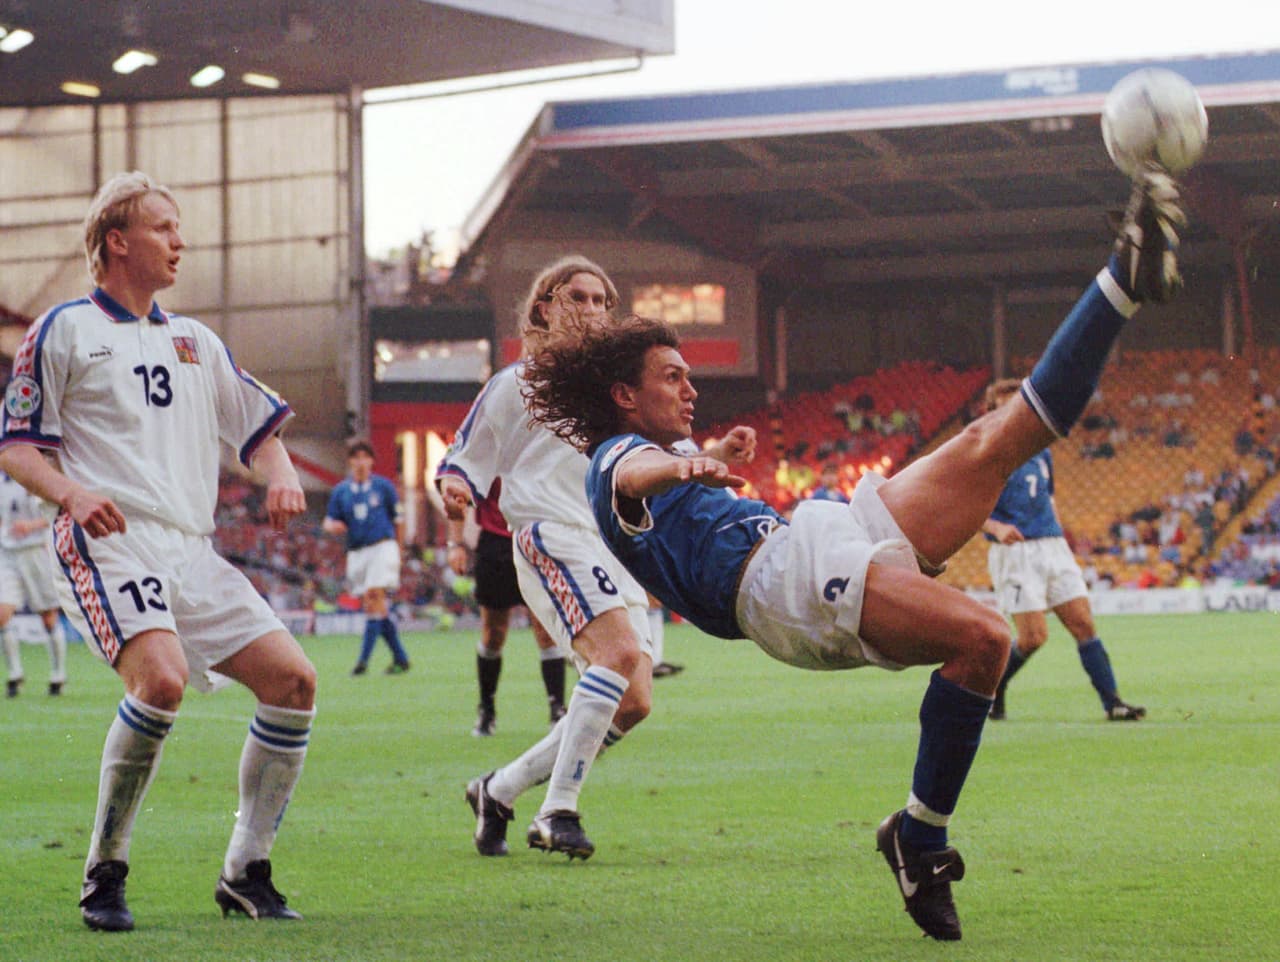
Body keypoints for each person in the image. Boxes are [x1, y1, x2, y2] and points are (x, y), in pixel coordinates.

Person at [518, 168, 1186, 940]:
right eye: (674, 378)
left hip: (805, 540)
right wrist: (682, 464)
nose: (691, 389)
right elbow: (633, 475)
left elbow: (671, 482)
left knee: (994, 438)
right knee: (985, 637)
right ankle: (920, 838)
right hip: (780, 594)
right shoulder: (615, 459)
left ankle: (1120, 282)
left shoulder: (659, 445)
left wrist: (704, 454)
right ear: (625, 398)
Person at [0, 171, 316, 930]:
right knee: (162, 680)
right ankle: (104, 869)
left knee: (294, 682)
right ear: (118, 240)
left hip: (190, 547)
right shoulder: (64, 329)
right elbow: (16, 448)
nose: (181, 242)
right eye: (165, 228)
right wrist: (72, 493)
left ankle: (247, 869)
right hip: (108, 538)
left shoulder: (194, 340)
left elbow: (263, 434)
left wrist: (281, 475)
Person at [436, 256, 655, 861]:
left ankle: (497, 790)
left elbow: (658, 457)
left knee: (633, 699)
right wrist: (456, 486)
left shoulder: (615, 397)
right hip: (547, 534)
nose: (591, 310)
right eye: (577, 297)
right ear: (543, 308)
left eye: (601, 301)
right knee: (618, 655)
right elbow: (465, 455)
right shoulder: (517, 383)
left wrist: (713, 451)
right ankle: (558, 809)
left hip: (606, 544)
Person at [981, 379, 1146, 722]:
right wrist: (996, 528)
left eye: (1018, 404)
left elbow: (1049, 499)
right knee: (1033, 637)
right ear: (992, 411)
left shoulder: (1041, 451)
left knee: (1084, 624)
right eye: (1006, 406)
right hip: (1015, 552)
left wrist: (1061, 538)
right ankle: (992, 690)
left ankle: (1112, 702)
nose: (1015, 412)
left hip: (1052, 546)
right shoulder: (986, 453)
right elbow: (968, 507)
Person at [445, 478, 567, 736]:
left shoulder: (540, 440)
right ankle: (487, 708)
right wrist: (455, 544)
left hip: (536, 537)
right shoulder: (485, 444)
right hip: (496, 545)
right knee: (493, 633)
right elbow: (458, 492)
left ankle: (557, 709)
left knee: (546, 628)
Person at [322, 441, 410, 675]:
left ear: (371, 461)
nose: (360, 461)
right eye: (356, 457)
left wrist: (399, 550)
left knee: (374, 595)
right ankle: (400, 657)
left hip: (382, 546)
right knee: (374, 605)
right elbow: (329, 520)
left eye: (365, 456)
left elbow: (399, 519)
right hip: (357, 551)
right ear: (350, 461)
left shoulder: (384, 487)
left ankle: (363, 661)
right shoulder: (341, 491)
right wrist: (333, 526)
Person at [0, 471, 67, 697]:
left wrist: (31, 526)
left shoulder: (35, 473)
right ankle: (15, 674)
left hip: (36, 550)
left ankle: (58, 674)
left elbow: (56, 512)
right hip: (7, 552)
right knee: (2, 613)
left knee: (48, 616)